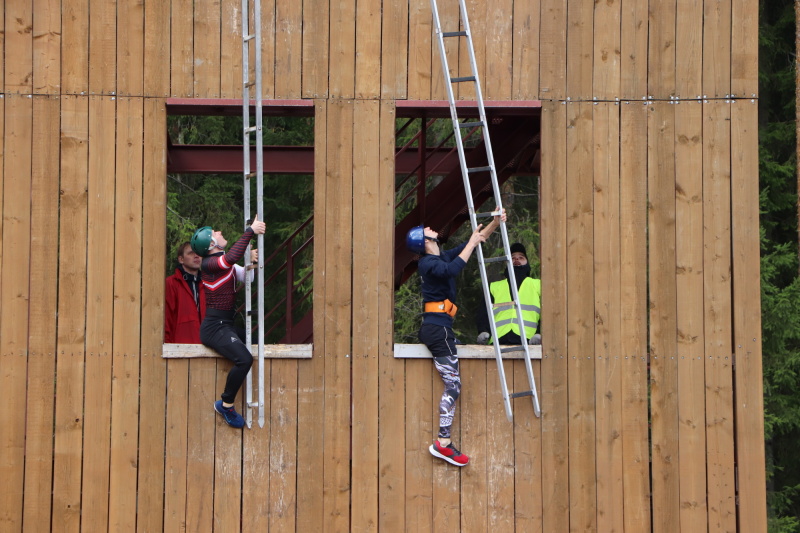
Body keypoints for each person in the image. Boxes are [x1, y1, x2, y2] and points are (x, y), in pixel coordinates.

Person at [407, 208, 505, 467]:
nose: (431, 229)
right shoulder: (428, 263)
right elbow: (453, 269)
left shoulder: (440, 255)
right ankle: (443, 443)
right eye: (427, 231)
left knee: (454, 384)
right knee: (453, 386)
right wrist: (471, 242)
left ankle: (444, 441)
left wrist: (493, 224)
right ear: (423, 241)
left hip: (441, 329)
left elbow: (473, 243)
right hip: (437, 330)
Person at [191, 216, 266, 428]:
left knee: (260, 339)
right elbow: (230, 259)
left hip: (226, 325)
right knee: (244, 359)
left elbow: (247, 278)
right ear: (212, 244)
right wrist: (250, 230)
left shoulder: (224, 264)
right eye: (216, 233)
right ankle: (226, 404)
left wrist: (250, 262)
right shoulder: (209, 264)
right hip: (215, 329)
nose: (220, 232)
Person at [475, 242, 541, 346]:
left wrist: (540, 333)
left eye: (521, 257)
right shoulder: (494, 287)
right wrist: (483, 331)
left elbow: (548, 313)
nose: (517, 260)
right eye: (513, 258)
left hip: (528, 341)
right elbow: (484, 313)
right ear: (507, 263)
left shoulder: (538, 285)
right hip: (498, 341)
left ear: (527, 262)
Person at [164, 242, 207, 343]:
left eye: (198, 253)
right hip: (179, 347)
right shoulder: (171, 283)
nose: (196, 256)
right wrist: (167, 345)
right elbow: (166, 318)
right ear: (181, 259)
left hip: (207, 347)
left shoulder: (208, 284)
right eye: (191, 253)